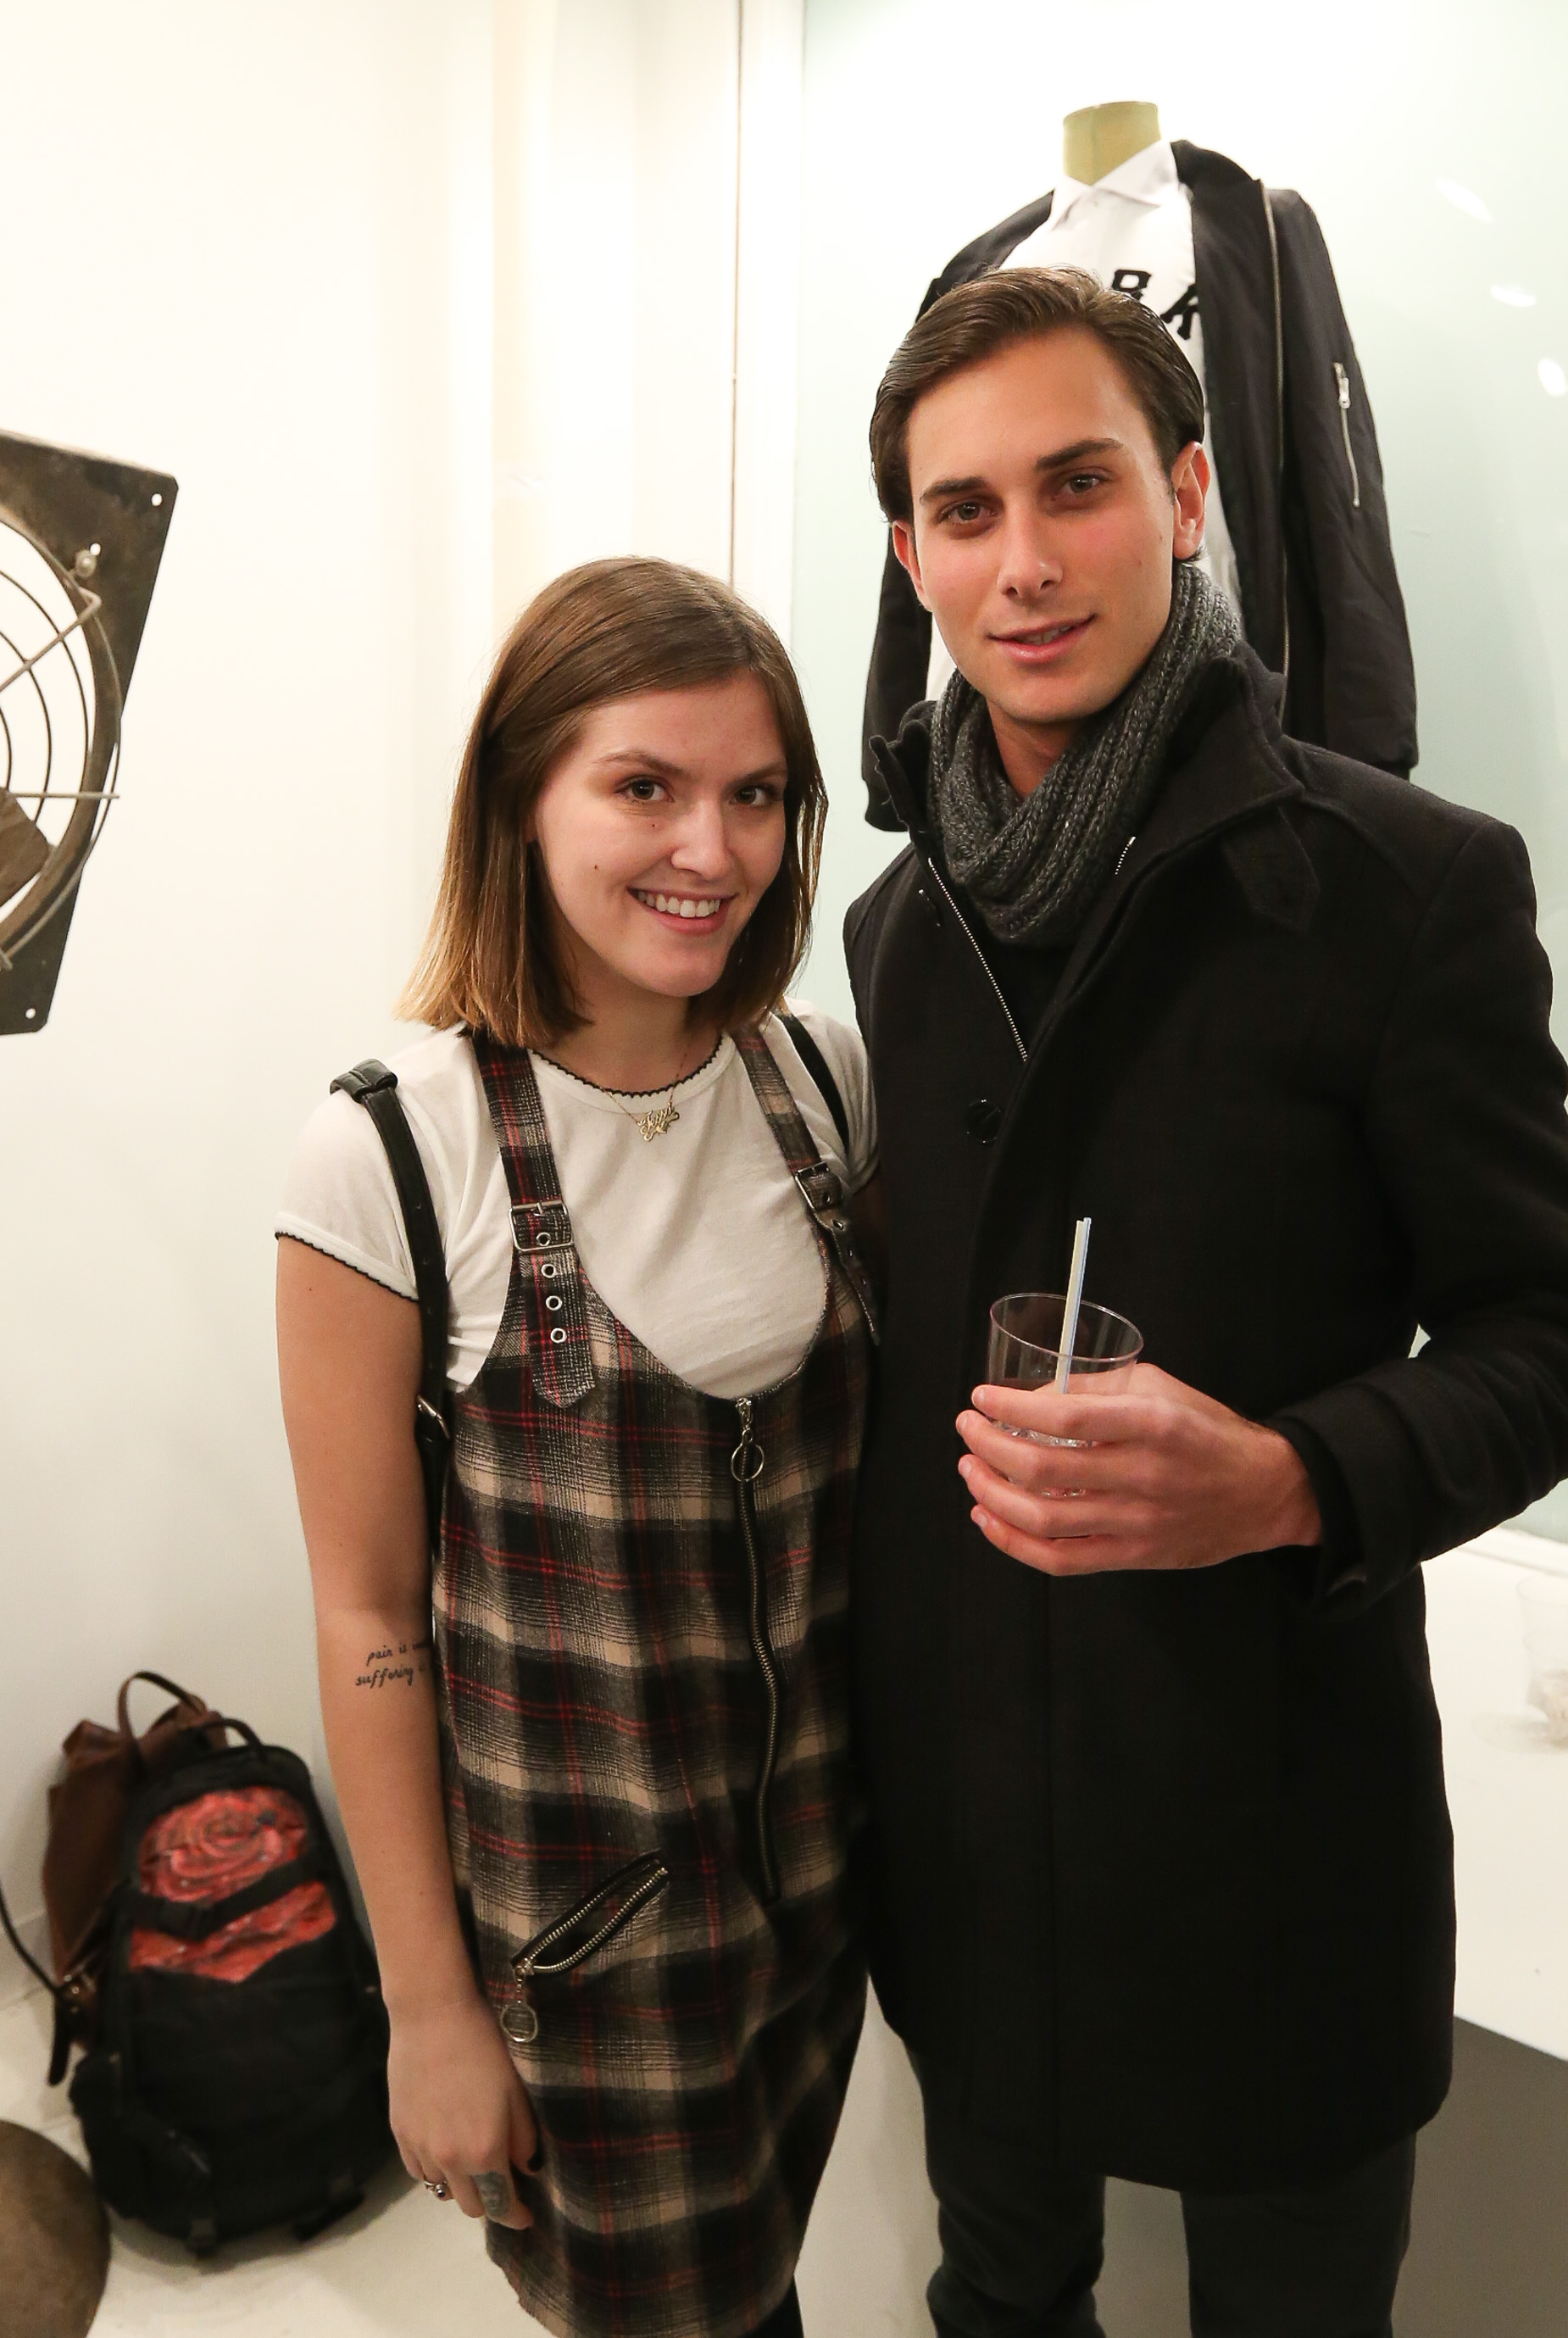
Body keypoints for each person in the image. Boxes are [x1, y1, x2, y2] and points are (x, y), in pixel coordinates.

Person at [844, 267, 1568, 2337]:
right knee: (998, 2297)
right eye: (963, 510)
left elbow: (1559, 1337)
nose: (1022, 563)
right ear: (910, 554)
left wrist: (1288, 1477)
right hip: (973, 1832)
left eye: (1077, 485)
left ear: (1190, 493)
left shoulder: (1402, 887)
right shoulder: (893, 930)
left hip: (1270, 1829)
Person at [276, 559, 881, 2338]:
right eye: (645, 787)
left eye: (755, 794)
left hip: (838, 1892)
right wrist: (426, 2008)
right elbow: (368, 1611)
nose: (713, 847)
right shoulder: (394, 1153)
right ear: (520, 805)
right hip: (590, 1952)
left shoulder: (829, 1086)